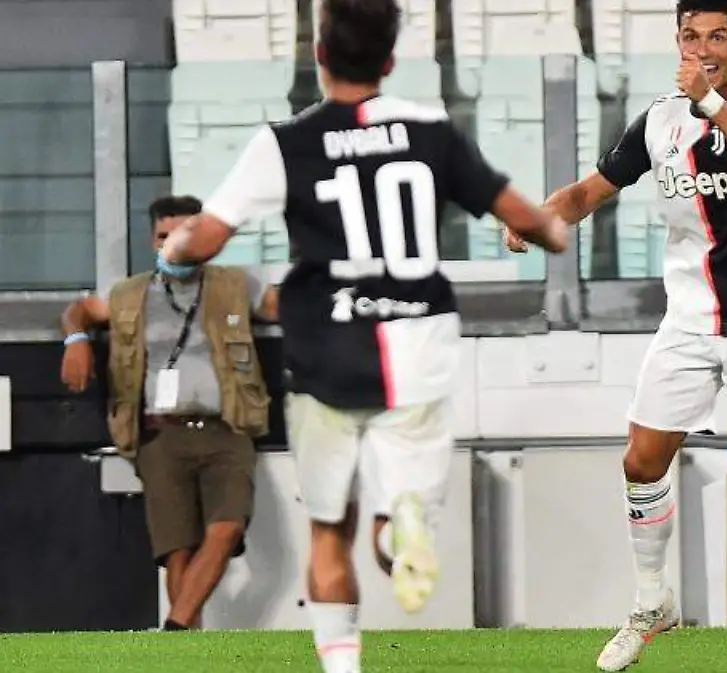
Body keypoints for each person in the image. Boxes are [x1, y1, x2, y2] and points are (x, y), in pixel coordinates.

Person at [156, 1, 569, 671]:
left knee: (329, 529)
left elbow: (202, 239)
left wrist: (175, 252)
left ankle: (344, 664)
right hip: (419, 343)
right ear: (390, 60)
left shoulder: (286, 142)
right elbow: (530, 218)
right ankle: (401, 530)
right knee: (397, 515)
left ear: (320, 55)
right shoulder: (431, 131)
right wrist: (549, 230)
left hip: (328, 348)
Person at [506, 1, 727, 670]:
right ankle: (653, 602)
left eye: (717, 36)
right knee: (641, 461)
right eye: (690, 36)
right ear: (677, 41)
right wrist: (539, 216)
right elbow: (591, 191)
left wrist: (711, 102)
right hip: (688, 319)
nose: (703, 47)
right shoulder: (658, 121)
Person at [60, 194, 278, 631]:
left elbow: (287, 306)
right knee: (177, 550)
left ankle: (173, 631)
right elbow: (80, 310)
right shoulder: (130, 294)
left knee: (227, 527)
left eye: (184, 234)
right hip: (160, 434)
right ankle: (186, 646)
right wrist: (76, 340)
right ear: (152, 240)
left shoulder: (236, 284)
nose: (173, 244)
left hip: (226, 426)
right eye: (164, 235)